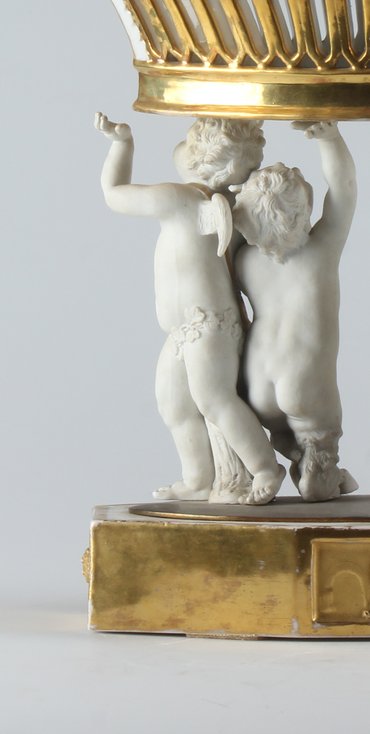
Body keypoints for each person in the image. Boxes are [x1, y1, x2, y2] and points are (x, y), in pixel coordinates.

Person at [93, 113, 286, 505]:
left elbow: (114, 193)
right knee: (174, 404)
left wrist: (122, 144)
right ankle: (197, 479)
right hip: (185, 329)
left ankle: (265, 467)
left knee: (215, 399)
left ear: (201, 158)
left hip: (209, 325)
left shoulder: (178, 198)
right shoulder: (223, 204)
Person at [231, 121, 359, 502]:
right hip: (303, 379)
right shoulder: (320, 250)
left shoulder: (244, 260)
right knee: (319, 437)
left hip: (255, 382)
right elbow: (344, 189)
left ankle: (292, 458)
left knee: (283, 432)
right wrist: (330, 139)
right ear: (304, 211)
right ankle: (320, 475)